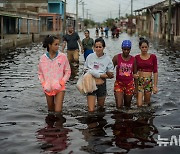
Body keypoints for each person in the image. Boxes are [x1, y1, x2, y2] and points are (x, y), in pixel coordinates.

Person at [38, 35, 71, 113]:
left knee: (58, 111)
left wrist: (62, 82)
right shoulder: (43, 58)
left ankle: (59, 125)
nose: (57, 46)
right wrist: (44, 84)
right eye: (55, 44)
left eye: (58, 44)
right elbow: (40, 73)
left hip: (60, 87)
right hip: (48, 88)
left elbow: (68, 71)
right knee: (50, 110)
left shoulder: (63, 57)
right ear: (49, 45)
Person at [84, 37, 114, 112]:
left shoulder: (108, 59)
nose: (98, 49)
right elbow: (85, 69)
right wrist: (100, 75)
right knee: (91, 110)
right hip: (91, 84)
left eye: (100, 47)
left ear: (103, 47)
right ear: (93, 47)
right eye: (96, 47)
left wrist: (101, 75)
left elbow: (111, 75)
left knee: (100, 108)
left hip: (102, 85)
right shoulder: (90, 57)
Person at [112, 40, 137, 109]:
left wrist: (136, 89)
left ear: (130, 49)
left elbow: (135, 74)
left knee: (127, 106)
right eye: (124, 49)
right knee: (119, 106)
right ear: (122, 48)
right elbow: (110, 69)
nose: (126, 51)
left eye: (128, 49)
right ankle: (118, 119)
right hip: (119, 84)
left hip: (129, 85)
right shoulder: (116, 58)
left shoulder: (133, 59)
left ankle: (127, 119)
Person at [135, 38, 158, 107]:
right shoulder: (136, 57)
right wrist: (135, 86)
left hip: (148, 82)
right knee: (139, 104)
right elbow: (134, 71)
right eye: (142, 47)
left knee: (147, 103)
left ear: (148, 47)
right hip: (139, 81)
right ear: (139, 47)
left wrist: (155, 86)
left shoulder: (153, 57)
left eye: (146, 47)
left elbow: (155, 71)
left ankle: (146, 117)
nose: (144, 49)